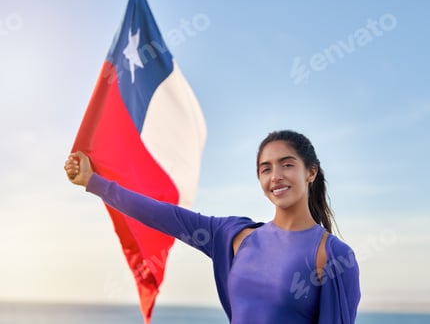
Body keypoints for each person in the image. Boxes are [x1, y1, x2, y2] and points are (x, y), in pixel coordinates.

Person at [64, 129, 361, 324]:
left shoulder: (331, 256)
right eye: (265, 169)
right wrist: (94, 182)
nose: (276, 177)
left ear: (310, 172)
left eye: (287, 164)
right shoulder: (235, 237)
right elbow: (163, 215)